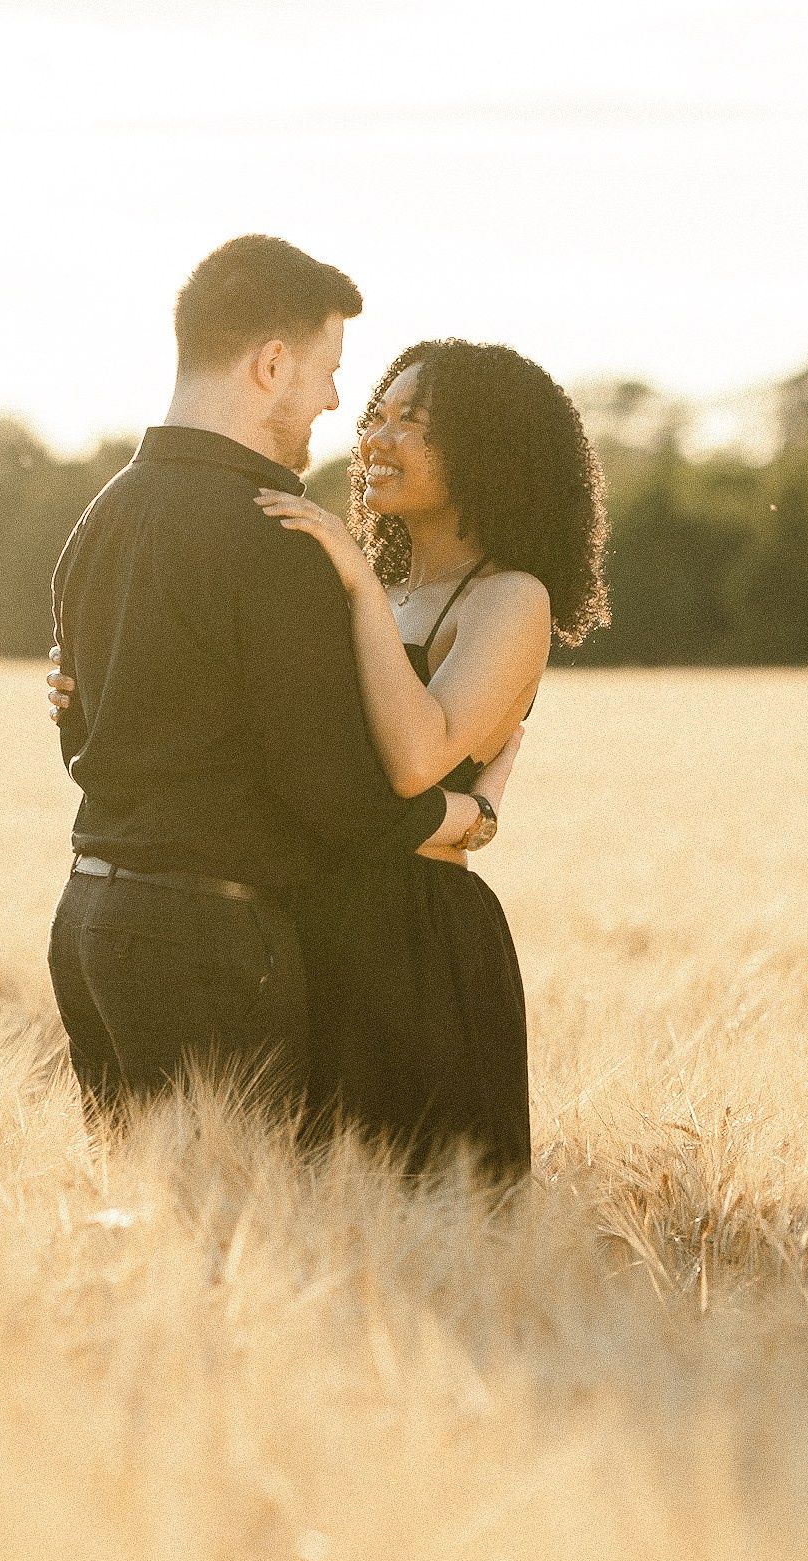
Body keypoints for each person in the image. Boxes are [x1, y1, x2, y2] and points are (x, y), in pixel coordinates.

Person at [45, 237, 512, 1130]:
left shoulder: (99, 520)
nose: (337, 400)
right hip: (207, 942)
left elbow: (80, 733)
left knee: (149, 1232)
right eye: (330, 371)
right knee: (251, 1231)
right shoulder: (274, 537)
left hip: (89, 919)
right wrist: (468, 817)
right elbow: (332, 795)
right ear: (271, 364)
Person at [251, 341, 609, 1183]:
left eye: (415, 423)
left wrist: (359, 590)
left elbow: (417, 760)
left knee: (430, 1235)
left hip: (415, 949)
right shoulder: (373, 583)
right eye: (378, 413)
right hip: (310, 931)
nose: (378, 436)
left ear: (491, 449)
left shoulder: (511, 597)